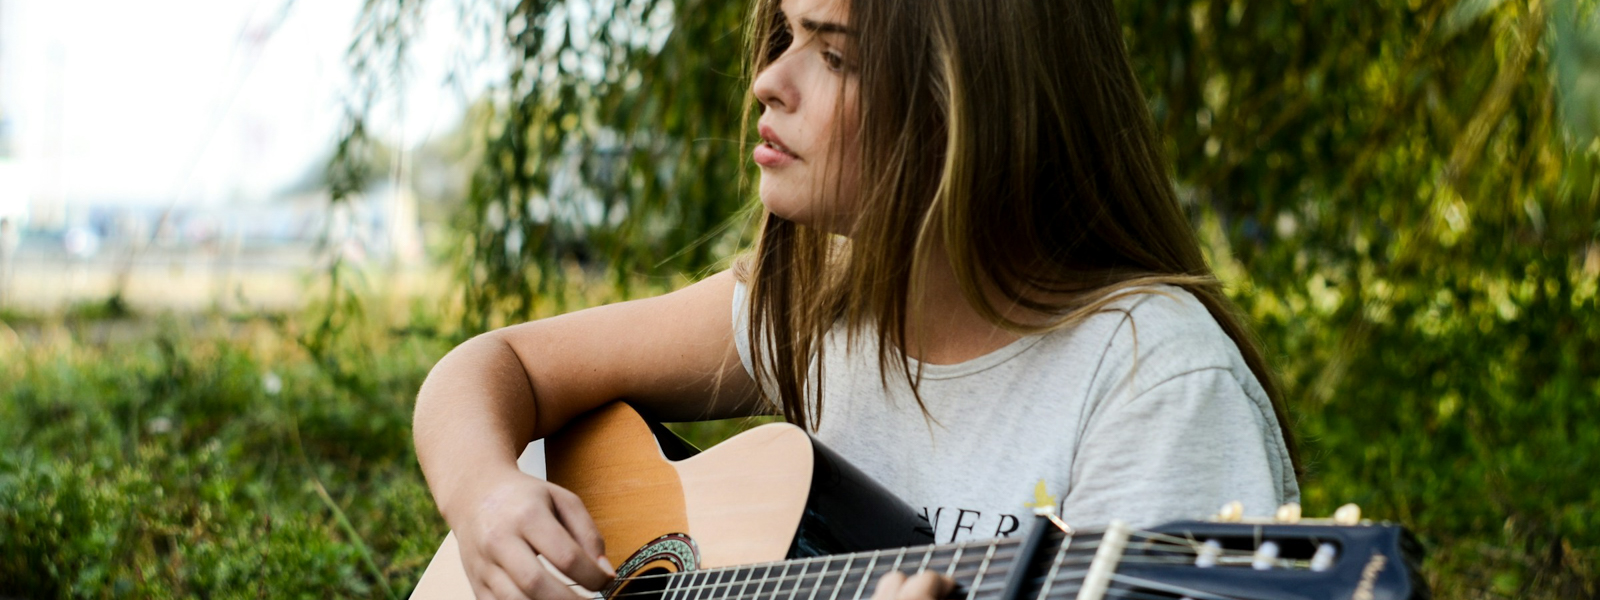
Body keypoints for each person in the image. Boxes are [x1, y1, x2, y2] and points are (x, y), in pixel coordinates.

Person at [412, 0, 1300, 597]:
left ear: (971, 106)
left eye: (833, 53)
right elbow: (496, 366)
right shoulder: (816, 306)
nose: (768, 80)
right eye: (787, 34)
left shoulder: (1159, 388)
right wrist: (487, 494)